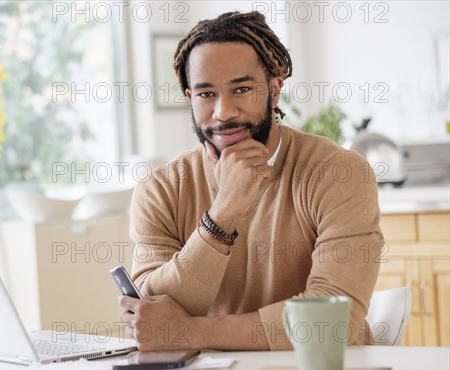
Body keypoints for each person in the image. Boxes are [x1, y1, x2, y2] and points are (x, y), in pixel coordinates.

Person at [118, 11, 383, 351]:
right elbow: (153, 314)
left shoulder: (339, 174)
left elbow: (333, 322)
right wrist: (221, 216)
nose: (224, 112)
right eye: (206, 94)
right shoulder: (161, 189)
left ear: (274, 89)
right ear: (189, 98)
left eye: (241, 89)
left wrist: (191, 333)